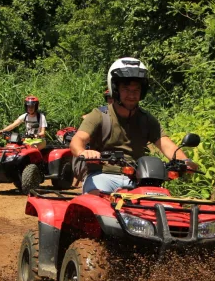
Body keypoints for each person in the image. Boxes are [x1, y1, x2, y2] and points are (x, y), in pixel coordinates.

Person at [70, 57, 197, 193]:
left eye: (136, 90)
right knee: (96, 203)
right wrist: (84, 152)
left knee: (163, 207)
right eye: (126, 89)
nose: (132, 94)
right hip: (103, 176)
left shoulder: (146, 119)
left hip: (138, 178)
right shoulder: (99, 115)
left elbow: (166, 144)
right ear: (115, 89)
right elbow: (77, 140)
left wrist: (185, 162)